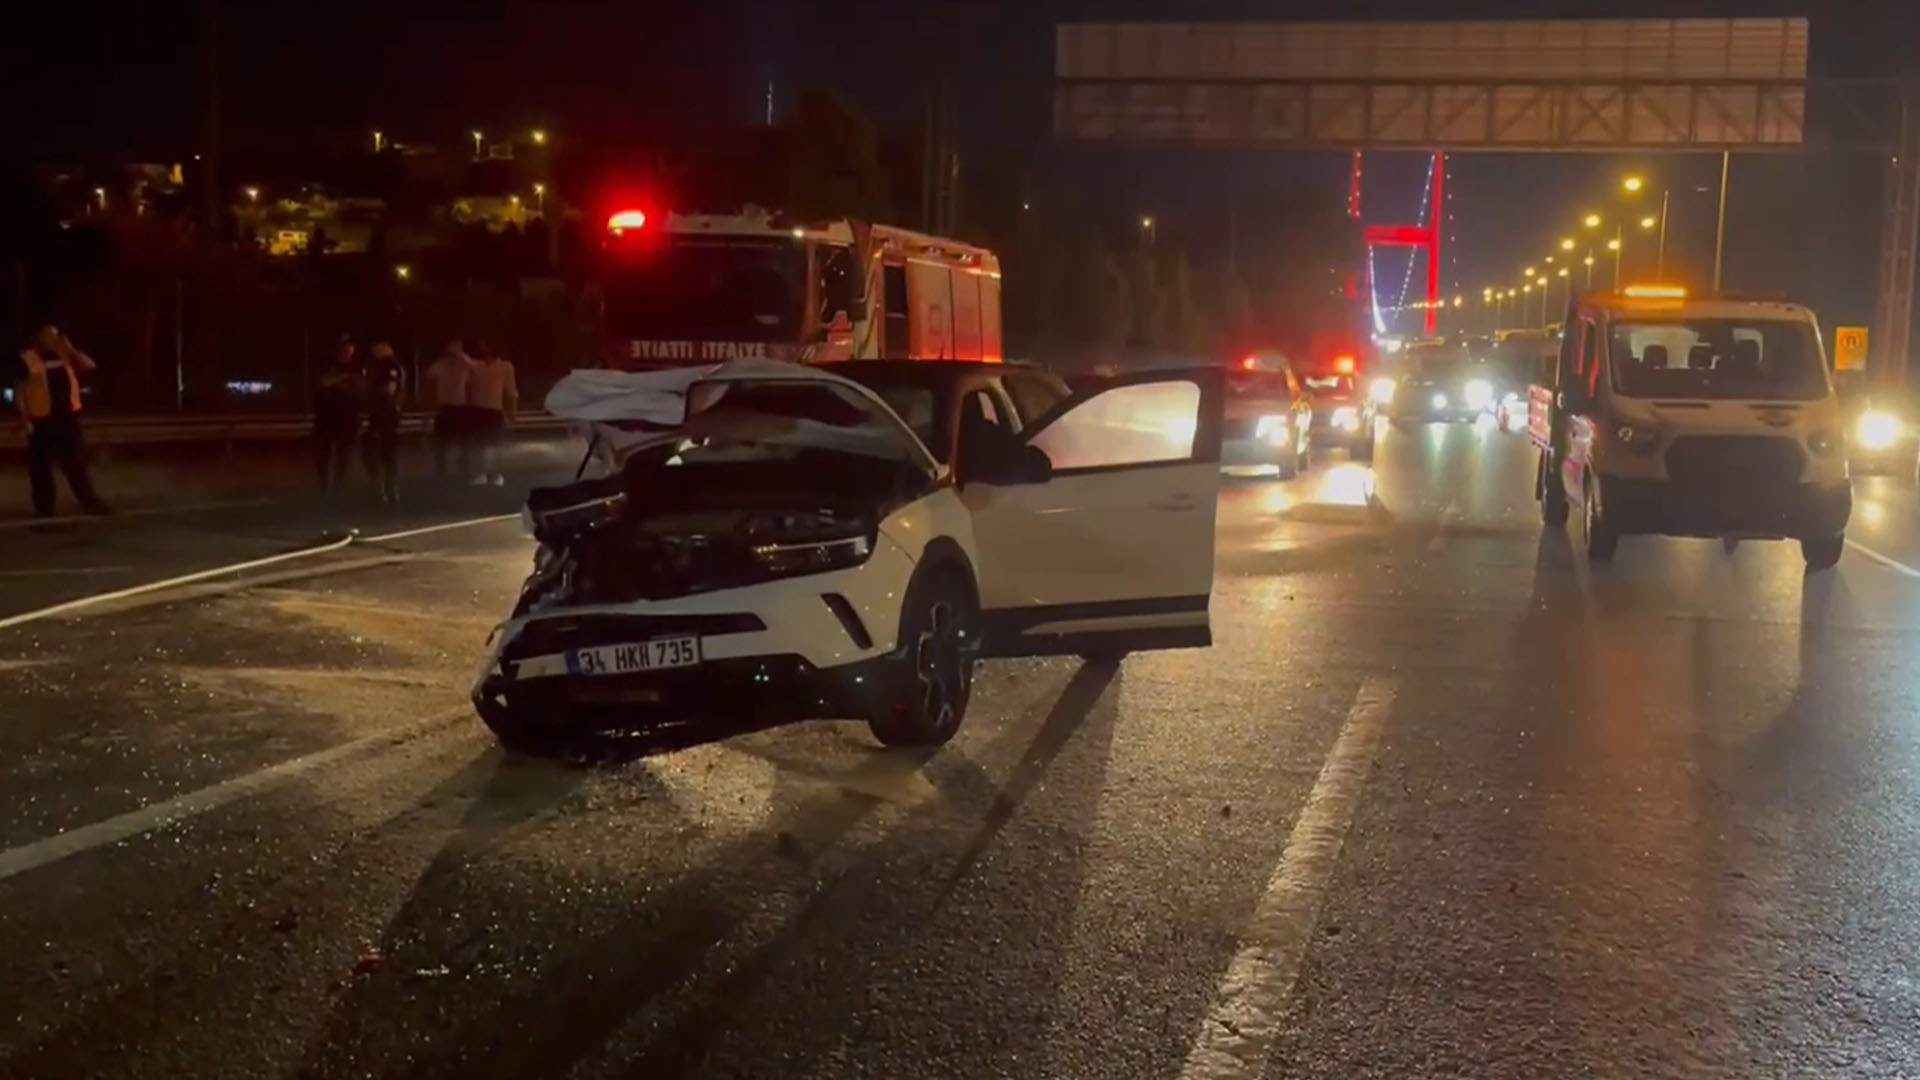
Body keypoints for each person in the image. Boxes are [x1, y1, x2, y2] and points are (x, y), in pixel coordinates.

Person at [7, 326, 110, 517]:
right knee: (41, 470)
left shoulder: (65, 355)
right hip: (41, 421)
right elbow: (19, 393)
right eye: (48, 335)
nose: (52, 339)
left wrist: (70, 348)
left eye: (55, 335)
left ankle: (90, 502)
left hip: (67, 420)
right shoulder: (27, 359)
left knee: (75, 464)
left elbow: (89, 365)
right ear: (39, 337)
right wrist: (24, 419)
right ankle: (44, 511)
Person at [312, 335, 362, 492]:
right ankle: (323, 486)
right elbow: (322, 383)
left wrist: (336, 382)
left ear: (353, 350)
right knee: (323, 456)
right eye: (342, 347)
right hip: (326, 417)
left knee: (344, 456)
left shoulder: (358, 367)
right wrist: (342, 379)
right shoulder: (327, 365)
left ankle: (341, 487)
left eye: (349, 347)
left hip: (348, 418)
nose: (346, 351)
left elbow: (359, 386)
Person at [466, 341, 518, 486]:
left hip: (495, 409)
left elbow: (511, 391)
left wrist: (513, 412)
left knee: (496, 444)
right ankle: (481, 473)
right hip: (478, 409)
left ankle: (496, 474)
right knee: (480, 445)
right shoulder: (476, 367)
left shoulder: (505, 367)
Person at [423, 340, 475, 481]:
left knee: (463, 442)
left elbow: (474, 369)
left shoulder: (464, 365)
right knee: (442, 442)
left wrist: (461, 356)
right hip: (445, 406)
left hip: (460, 406)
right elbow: (429, 377)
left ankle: (464, 469)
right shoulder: (441, 365)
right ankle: (442, 470)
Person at [361, 340, 404, 503]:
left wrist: (371, 393)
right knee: (385, 453)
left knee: (380, 452)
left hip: (385, 413)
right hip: (386, 413)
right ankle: (387, 489)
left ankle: (383, 489)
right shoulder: (389, 365)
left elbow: (389, 388)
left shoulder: (387, 365)